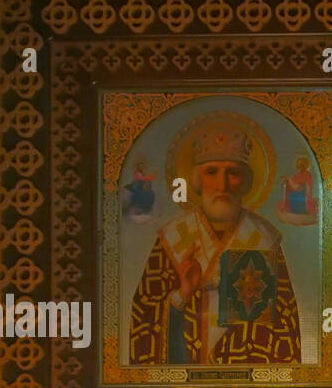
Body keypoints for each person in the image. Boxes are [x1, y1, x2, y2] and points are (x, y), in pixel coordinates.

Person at [128, 119, 302, 366]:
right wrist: (182, 294)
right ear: (197, 179)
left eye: (232, 173)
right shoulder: (173, 236)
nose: (222, 185)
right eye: (212, 172)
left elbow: (285, 327)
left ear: (245, 181)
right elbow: (144, 320)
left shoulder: (263, 237)